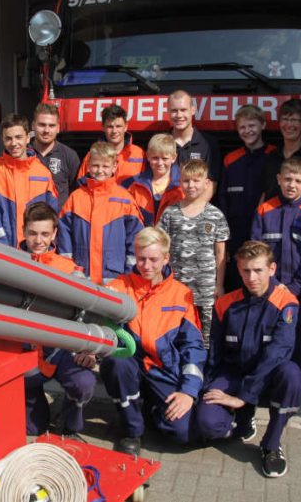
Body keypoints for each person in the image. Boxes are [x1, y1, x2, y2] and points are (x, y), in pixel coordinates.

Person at [196, 241, 301, 479]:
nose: (252, 277)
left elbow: (277, 354)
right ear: (238, 270)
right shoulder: (225, 303)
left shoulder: (285, 303)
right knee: (206, 423)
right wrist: (206, 388)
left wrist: (243, 397)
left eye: (258, 270)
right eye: (245, 270)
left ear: (272, 269)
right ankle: (243, 424)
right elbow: (215, 353)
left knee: (293, 377)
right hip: (234, 373)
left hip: (268, 377)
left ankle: (271, 444)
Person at [99, 227, 206, 456]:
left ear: (166, 258)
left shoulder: (181, 294)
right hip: (132, 366)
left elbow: (193, 347)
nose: (146, 266)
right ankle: (132, 431)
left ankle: (149, 409)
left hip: (163, 371)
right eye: (141, 259)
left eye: (153, 259)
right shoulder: (119, 287)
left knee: (181, 432)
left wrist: (188, 391)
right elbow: (98, 322)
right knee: (116, 363)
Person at [19, 202, 96, 436]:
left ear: (54, 233)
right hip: (24, 351)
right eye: (32, 233)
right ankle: (32, 400)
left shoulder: (69, 269)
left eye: (44, 234)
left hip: (60, 350)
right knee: (32, 429)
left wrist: (89, 350)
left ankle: (70, 423)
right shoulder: (7, 262)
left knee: (83, 384)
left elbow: (88, 314)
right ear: (23, 231)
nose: (38, 240)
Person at [251, 157, 301, 366]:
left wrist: (294, 287)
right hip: (268, 291)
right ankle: (266, 380)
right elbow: (256, 252)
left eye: (298, 181)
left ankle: (293, 381)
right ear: (278, 179)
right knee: (266, 336)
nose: (292, 185)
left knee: (298, 336)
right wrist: (270, 286)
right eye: (287, 179)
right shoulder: (264, 211)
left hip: (299, 292)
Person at [158, 159, 230, 345]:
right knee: (176, 329)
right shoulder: (170, 213)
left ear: (207, 183)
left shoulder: (215, 215)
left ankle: (204, 370)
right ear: (180, 182)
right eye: (186, 181)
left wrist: (219, 285)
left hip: (205, 288)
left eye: (196, 181)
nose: (191, 185)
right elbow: (160, 247)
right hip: (177, 286)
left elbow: (221, 254)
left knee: (206, 334)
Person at [58, 141, 143, 284]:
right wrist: (68, 269)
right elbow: (64, 239)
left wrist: (129, 276)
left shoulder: (125, 200)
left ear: (114, 167)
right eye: (96, 165)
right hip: (81, 277)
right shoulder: (76, 198)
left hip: (115, 280)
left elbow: (136, 241)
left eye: (105, 166)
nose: (100, 170)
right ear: (89, 165)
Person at [0, 114, 58, 249]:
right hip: (5, 250)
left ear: (28, 137)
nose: (14, 143)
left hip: (36, 250)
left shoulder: (43, 173)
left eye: (18, 137)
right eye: (8, 138)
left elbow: (52, 215)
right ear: (2, 139)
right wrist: (3, 248)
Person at [219, 105, 275, 288]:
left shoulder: (274, 156)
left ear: (263, 125)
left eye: (252, 125)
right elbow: (223, 201)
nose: (247, 131)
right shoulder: (230, 159)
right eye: (242, 127)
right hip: (236, 235)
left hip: (266, 234)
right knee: (237, 284)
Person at [261, 99, 301, 202]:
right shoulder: (272, 156)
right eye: (285, 119)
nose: (289, 124)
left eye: (294, 120)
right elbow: (265, 193)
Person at [167, 90, 221, 198]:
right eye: (174, 111)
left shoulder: (209, 144)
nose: (179, 115)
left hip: (198, 210)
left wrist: (193, 209)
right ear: (168, 112)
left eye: (183, 110)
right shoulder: (161, 143)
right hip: (167, 208)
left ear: (192, 110)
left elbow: (212, 183)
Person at [122, 133, 183, 226]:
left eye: (165, 158)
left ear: (174, 158)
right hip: (141, 238)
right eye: (155, 158)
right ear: (148, 156)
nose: (160, 163)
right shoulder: (132, 185)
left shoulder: (184, 185)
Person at [77, 104, 145, 183]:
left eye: (118, 126)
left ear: (126, 127)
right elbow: (82, 185)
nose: (114, 131)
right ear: (103, 127)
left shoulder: (139, 154)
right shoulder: (92, 155)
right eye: (110, 127)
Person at [31, 103, 80, 206]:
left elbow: (76, 193)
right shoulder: (24, 154)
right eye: (42, 125)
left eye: (51, 125)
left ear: (58, 128)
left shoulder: (69, 156)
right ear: (33, 125)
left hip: (59, 220)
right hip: (29, 219)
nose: (46, 130)